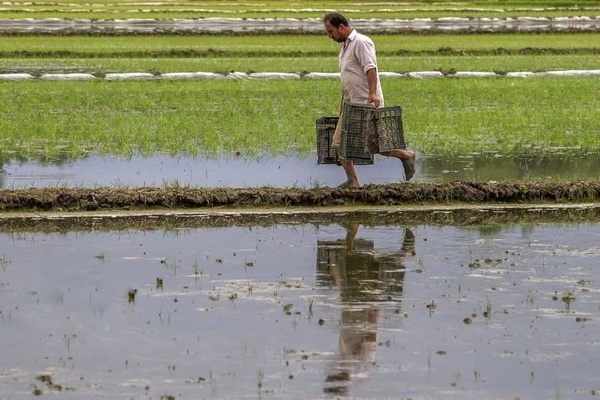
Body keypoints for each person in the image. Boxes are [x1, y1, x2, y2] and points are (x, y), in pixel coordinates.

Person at [323, 12, 416, 188]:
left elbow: (370, 69)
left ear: (341, 27)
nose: (329, 36)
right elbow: (348, 78)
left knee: (375, 145)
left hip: (367, 104)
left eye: (330, 31)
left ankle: (406, 155)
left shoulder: (361, 42)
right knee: (339, 144)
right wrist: (342, 106)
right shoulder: (344, 48)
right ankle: (353, 181)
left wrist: (373, 94)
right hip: (351, 104)